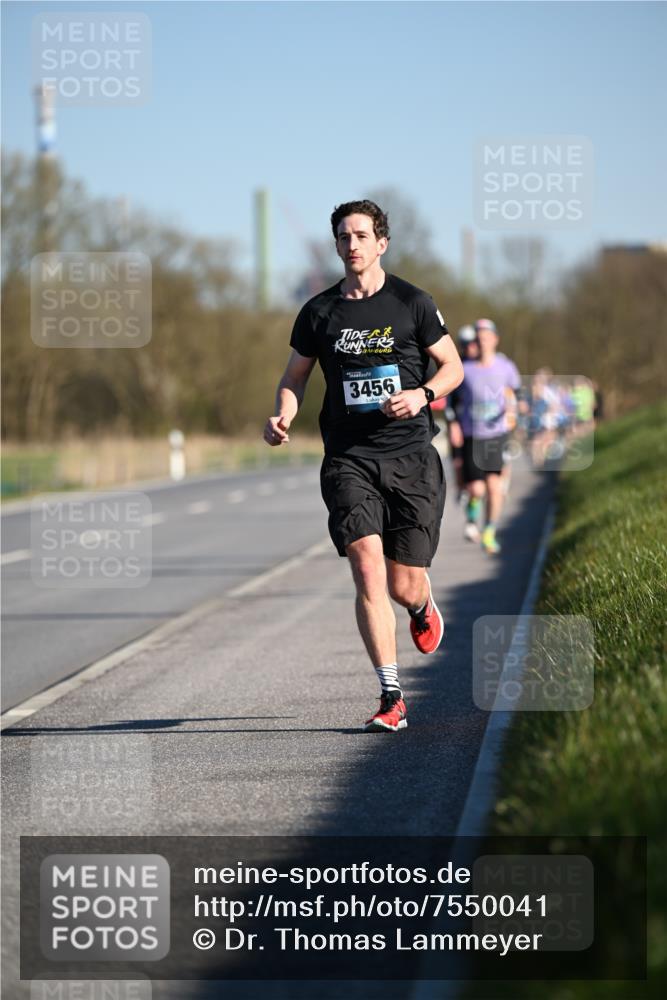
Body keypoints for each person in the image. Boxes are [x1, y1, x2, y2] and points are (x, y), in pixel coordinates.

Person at [263, 200, 463, 732]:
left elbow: (453, 368)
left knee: (403, 585)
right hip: (349, 459)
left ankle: (421, 606)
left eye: (360, 235)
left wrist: (422, 394)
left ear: (381, 243)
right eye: (343, 237)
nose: (351, 245)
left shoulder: (412, 303)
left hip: (410, 457)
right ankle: (392, 695)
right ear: (336, 246)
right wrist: (282, 415)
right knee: (367, 567)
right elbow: (295, 378)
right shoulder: (319, 313)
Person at [448, 318, 520, 554]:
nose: (482, 342)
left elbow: (515, 393)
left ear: (495, 340)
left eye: (486, 338)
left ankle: (489, 531)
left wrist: (513, 408)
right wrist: (454, 425)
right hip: (472, 434)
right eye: (478, 339)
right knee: (476, 489)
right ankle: (472, 513)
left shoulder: (505, 367)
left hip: (496, 433)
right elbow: (453, 401)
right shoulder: (464, 369)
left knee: (494, 486)